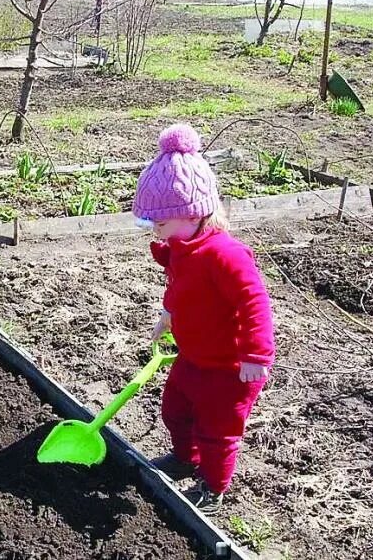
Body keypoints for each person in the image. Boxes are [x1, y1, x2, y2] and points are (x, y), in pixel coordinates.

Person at [132, 124, 275, 513]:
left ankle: (213, 487)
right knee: (174, 410)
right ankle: (184, 458)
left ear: (192, 213)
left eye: (160, 221)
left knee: (218, 432)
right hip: (193, 356)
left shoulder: (225, 255)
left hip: (229, 371)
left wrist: (256, 356)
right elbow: (180, 284)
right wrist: (168, 312)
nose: (155, 230)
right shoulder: (181, 245)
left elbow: (255, 303)